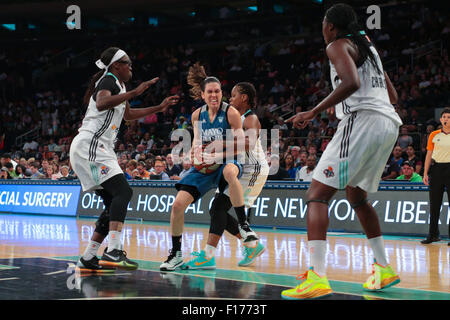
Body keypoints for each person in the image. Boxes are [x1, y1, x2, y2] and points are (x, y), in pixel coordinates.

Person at [284, 3, 402, 299]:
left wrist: (312, 111)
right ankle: (384, 268)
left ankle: (318, 276)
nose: (322, 29)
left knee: (316, 195)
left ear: (331, 26)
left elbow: (351, 83)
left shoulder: (337, 45)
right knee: (356, 196)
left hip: (362, 120)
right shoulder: (369, 48)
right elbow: (394, 96)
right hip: (388, 123)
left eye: (323, 24)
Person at [70, 46, 179, 273]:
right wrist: (136, 92)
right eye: (127, 63)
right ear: (116, 65)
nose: (131, 66)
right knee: (124, 193)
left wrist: (159, 107)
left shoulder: (119, 85)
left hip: (96, 147)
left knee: (113, 203)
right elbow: (101, 103)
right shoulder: (108, 80)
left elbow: (128, 115)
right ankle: (114, 250)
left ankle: (89, 256)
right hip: (91, 145)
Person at [160, 63, 246, 271]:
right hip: (205, 166)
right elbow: (197, 141)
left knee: (226, 179)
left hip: (229, 160)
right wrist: (194, 153)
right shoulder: (197, 115)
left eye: (217, 91)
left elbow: (242, 144)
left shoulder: (231, 113)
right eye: (210, 92)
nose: (214, 95)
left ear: (221, 93)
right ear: (202, 94)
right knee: (177, 206)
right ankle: (176, 254)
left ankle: (245, 227)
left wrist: (216, 155)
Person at [181, 82, 269, 269]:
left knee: (219, 207)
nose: (231, 98)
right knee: (216, 209)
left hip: (253, 169)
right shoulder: (230, 117)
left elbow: (249, 143)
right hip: (238, 167)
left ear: (244, 98)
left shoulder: (250, 118)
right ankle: (250, 245)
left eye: (234, 95)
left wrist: (218, 148)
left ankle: (209, 255)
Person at [421, 107, 450, 245]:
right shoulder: (433, 135)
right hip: (437, 169)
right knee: (434, 205)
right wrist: (425, 173)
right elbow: (428, 155)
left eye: (449, 117)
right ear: (440, 119)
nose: (446, 119)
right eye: (444, 117)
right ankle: (433, 235)